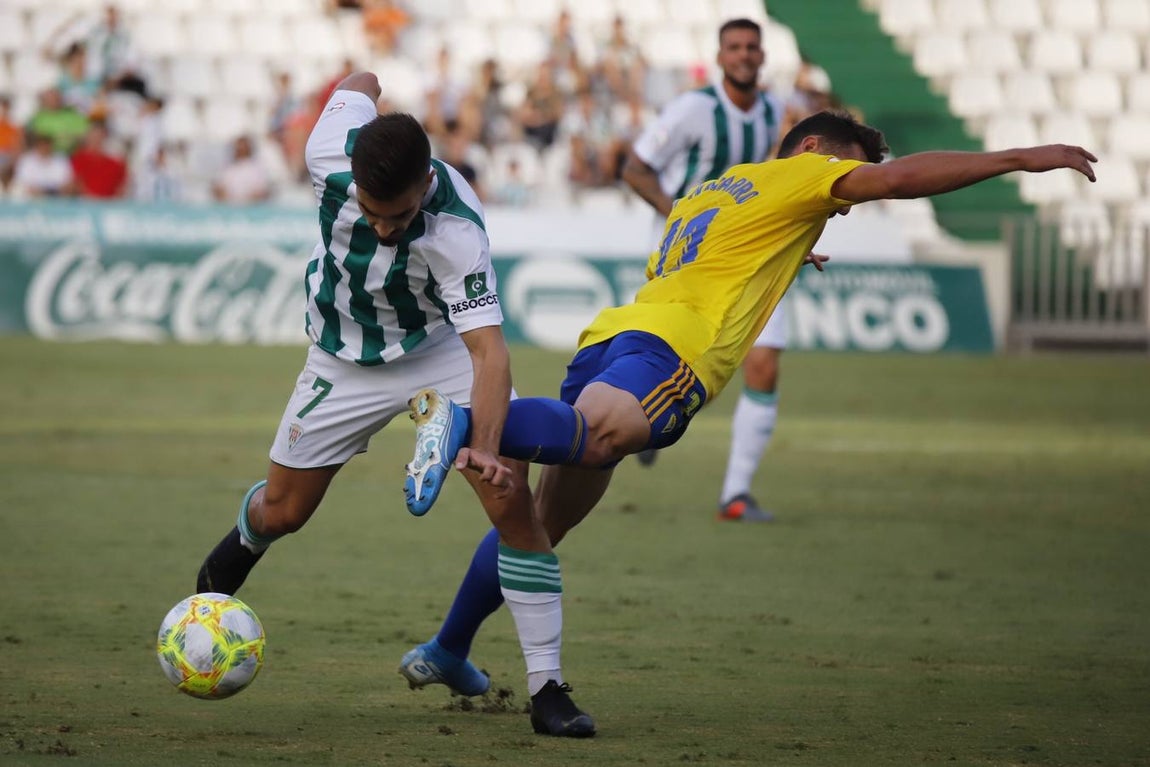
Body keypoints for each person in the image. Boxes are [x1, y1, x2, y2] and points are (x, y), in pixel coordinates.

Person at [398, 110, 1097, 728]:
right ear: (816, 149)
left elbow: (726, 253)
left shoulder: (719, 188)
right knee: (603, 436)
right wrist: (1019, 158)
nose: (845, 196)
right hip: (673, 348)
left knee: (540, 526)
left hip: (611, 338)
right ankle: (460, 421)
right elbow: (898, 181)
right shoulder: (799, 176)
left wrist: (794, 246)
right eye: (843, 173)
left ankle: (450, 646)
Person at [192, 70, 589, 738]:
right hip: (339, 358)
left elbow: (491, 354)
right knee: (285, 511)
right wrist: (373, 85)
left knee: (510, 499)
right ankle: (233, 558)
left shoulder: (457, 229)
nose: (381, 228)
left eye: (398, 216)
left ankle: (547, 687)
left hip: (440, 356)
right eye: (371, 212)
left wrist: (486, 451)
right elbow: (360, 79)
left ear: (426, 182)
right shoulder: (329, 148)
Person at [620, 18, 787, 522]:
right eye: (733, 47)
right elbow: (635, 167)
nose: (743, 55)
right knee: (679, 361)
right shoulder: (695, 109)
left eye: (751, 47)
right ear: (719, 57)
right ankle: (645, 419)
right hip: (689, 259)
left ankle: (735, 495)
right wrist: (681, 216)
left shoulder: (772, 111)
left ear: (762, 56)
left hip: (750, 255)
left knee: (763, 364)